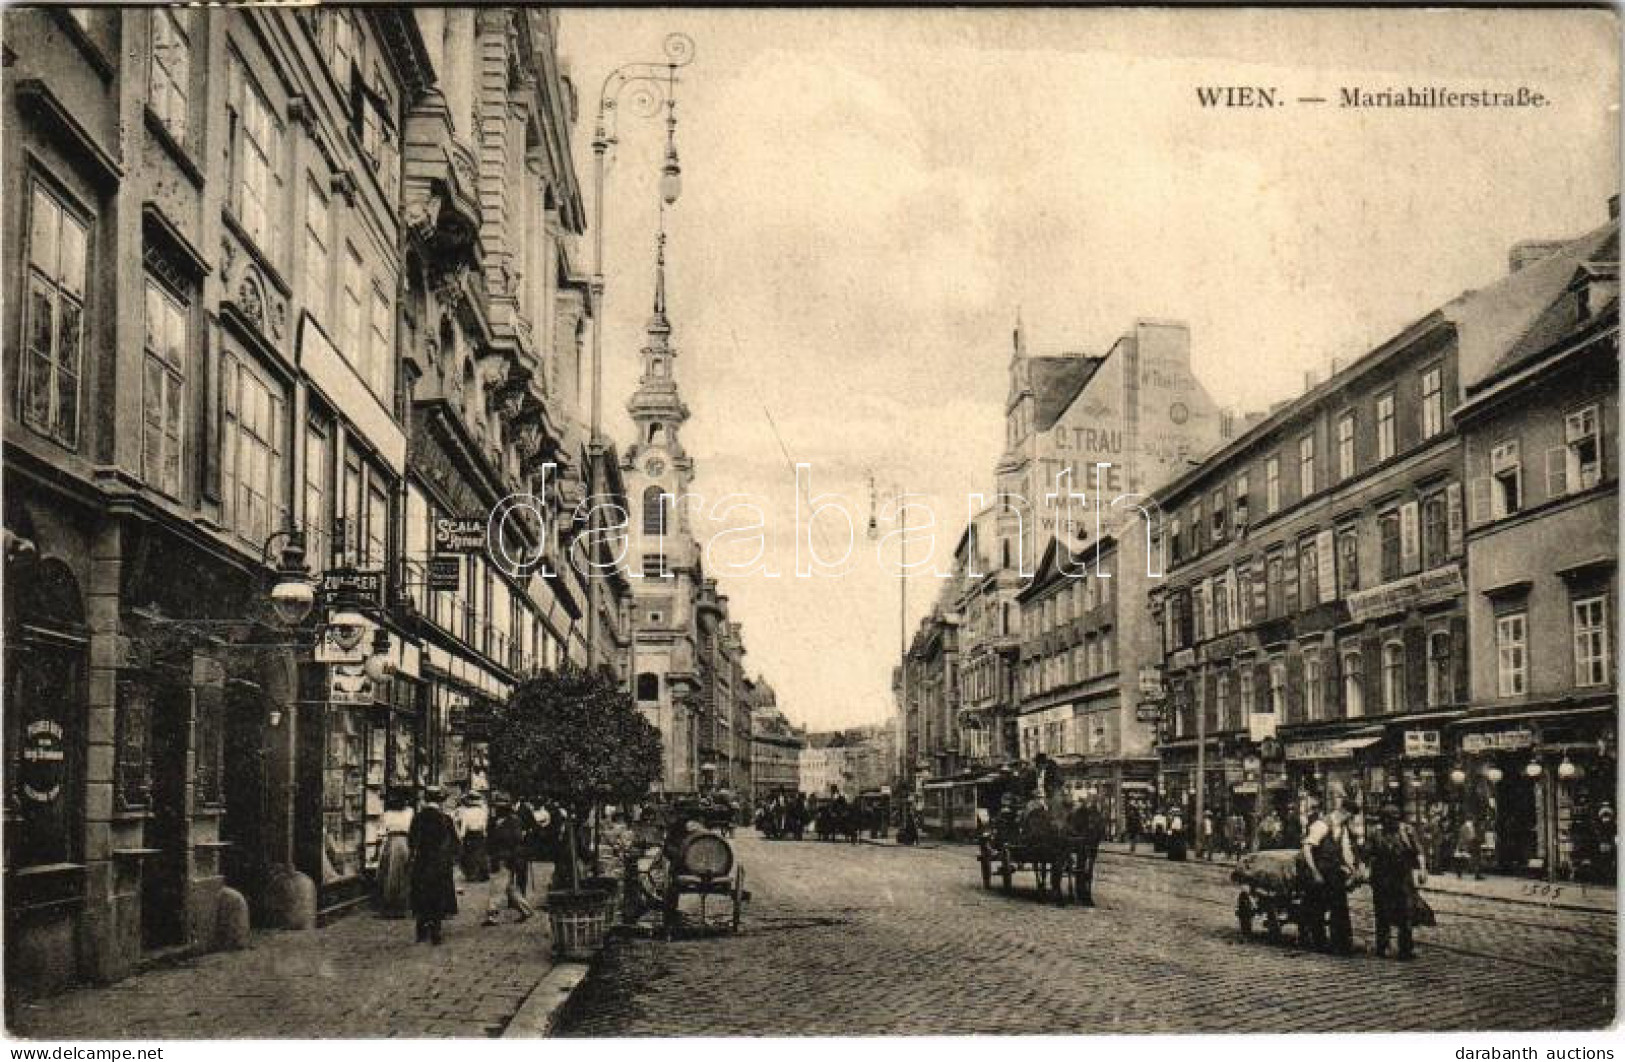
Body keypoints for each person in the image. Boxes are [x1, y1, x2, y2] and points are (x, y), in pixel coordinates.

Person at [1366, 802, 1426, 960]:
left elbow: (1419, 851)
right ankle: (1383, 946)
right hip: (1381, 877)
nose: (1391, 822)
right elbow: (1368, 854)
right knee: (1382, 913)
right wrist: (1365, 869)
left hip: (1402, 878)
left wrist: (1422, 869)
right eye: (1387, 819)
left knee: (1405, 913)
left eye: (1394, 818)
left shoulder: (1406, 831)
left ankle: (1405, 948)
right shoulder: (1376, 833)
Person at [1300, 800, 1358, 955]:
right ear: (1344, 812)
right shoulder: (1322, 825)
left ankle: (1341, 943)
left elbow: (1345, 852)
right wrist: (1314, 871)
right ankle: (1320, 942)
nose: (1350, 820)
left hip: (1333, 871)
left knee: (1340, 906)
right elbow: (1307, 848)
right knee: (1318, 907)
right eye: (1350, 816)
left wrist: (1353, 870)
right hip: (1319, 869)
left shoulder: (1342, 829)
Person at [409, 787, 460, 944]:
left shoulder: (418, 818)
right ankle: (436, 929)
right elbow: (455, 842)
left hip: (422, 862)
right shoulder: (445, 818)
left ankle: (421, 929)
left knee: (421, 893)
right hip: (439, 863)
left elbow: (411, 840)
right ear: (441, 801)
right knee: (438, 894)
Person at [483, 794, 535, 926]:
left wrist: (512, 856)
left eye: (501, 807)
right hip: (498, 857)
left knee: (497, 886)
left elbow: (517, 840)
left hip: (506, 858)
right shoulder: (495, 821)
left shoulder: (513, 821)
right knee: (510, 888)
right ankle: (526, 910)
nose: (498, 809)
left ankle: (492, 914)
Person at [376, 788, 414, 918]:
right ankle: (402, 905)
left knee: (389, 874)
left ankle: (389, 905)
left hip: (391, 843)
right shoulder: (410, 812)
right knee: (403, 873)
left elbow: (380, 832)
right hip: (404, 842)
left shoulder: (387, 814)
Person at [456, 791, 491, 882]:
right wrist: (484, 834)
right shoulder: (482, 812)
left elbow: (464, 825)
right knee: (480, 854)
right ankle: (482, 874)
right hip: (479, 834)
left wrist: (462, 836)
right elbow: (484, 825)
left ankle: (471, 874)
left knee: (470, 855)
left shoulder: (466, 812)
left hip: (470, 834)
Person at [1455, 816, 1484, 880]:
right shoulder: (1465, 827)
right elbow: (1468, 837)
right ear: (1469, 820)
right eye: (1472, 820)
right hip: (1465, 846)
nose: (1473, 822)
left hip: (1468, 846)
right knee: (1464, 860)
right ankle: (1460, 874)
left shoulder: (1468, 827)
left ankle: (1477, 874)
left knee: (1474, 859)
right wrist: (1475, 838)